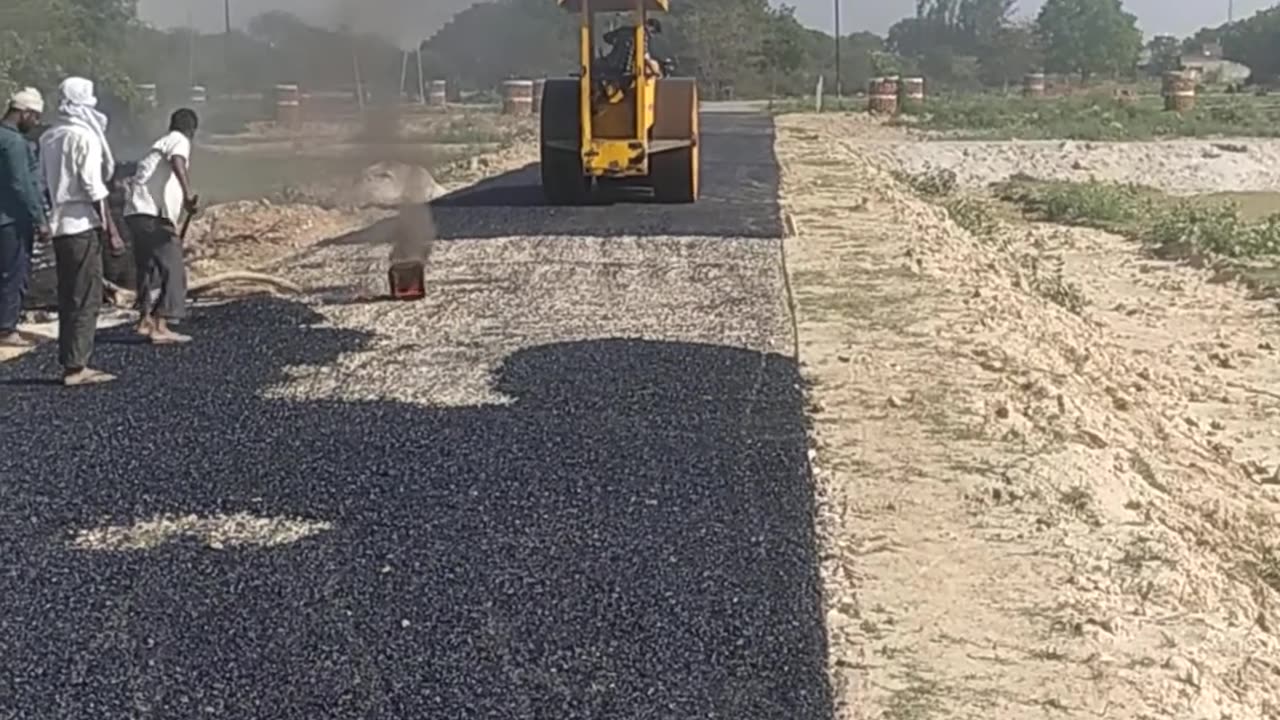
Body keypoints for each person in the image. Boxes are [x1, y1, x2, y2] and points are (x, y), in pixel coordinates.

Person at [40, 76, 123, 386]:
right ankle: (77, 366)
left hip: (59, 225)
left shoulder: (49, 137)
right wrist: (112, 230)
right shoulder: (83, 137)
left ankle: (70, 358)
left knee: (68, 294)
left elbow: (43, 185)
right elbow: (93, 187)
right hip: (81, 225)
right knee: (87, 295)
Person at [124, 108, 199, 344]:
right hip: (154, 216)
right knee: (174, 268)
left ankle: (144, 318)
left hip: (135, 214)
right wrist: (188, 196)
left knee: (146, 267)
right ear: (191, 129)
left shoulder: (158, 144)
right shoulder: (179, 140)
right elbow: (177, 161)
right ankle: (161, 322)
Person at [0, 88, 50, 349]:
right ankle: (6, 329)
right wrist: (40, 219)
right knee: (13, 273)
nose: (37, 123)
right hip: (10, 221)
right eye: (36, 117)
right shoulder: (15, 143)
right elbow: (22, 184)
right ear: (25, 113)